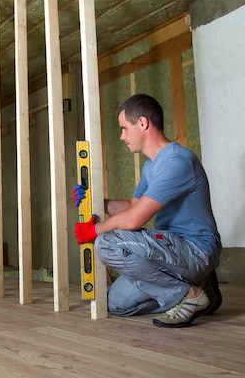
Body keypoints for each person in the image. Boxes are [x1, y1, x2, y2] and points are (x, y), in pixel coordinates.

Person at [72, 93, 222, 328]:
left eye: (124, 128)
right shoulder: (151, 164)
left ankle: (190, 295)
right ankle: (199, 289)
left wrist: (96, 229)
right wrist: (97, 202)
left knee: (107, 243)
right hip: (171, 251)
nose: (122, 136)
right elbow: (134, 207)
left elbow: (133, 220)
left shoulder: (176, 161)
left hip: (195, 249)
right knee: (115, 304)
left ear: (142, 123)